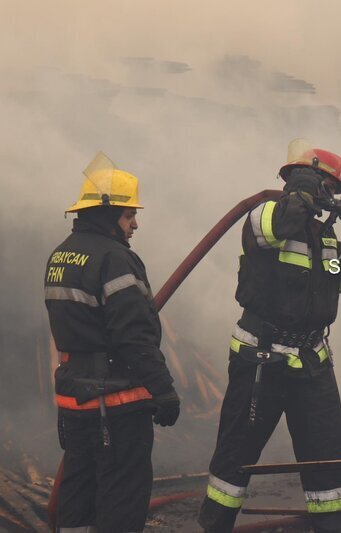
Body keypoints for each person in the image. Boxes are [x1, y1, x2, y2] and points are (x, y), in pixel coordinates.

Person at [198, 140, 341, 533]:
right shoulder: (265, 214)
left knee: (329, 467)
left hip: (312, 362)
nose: (332, 199)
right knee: (234, 461)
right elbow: (279, 226)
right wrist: (302, 190)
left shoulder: (326, 236)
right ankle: (215, 526)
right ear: (306, 182)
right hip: (260, 361)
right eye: (328, 189)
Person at [44, 153, 180, 532]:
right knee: (121, 499)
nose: (135, 224)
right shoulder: (115, 259)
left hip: (75, 402)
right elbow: (133, 337)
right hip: (116, 405)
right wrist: (164, 390)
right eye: (128, 215)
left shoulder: (61, 255)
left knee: (78, 495)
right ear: (107, 215)